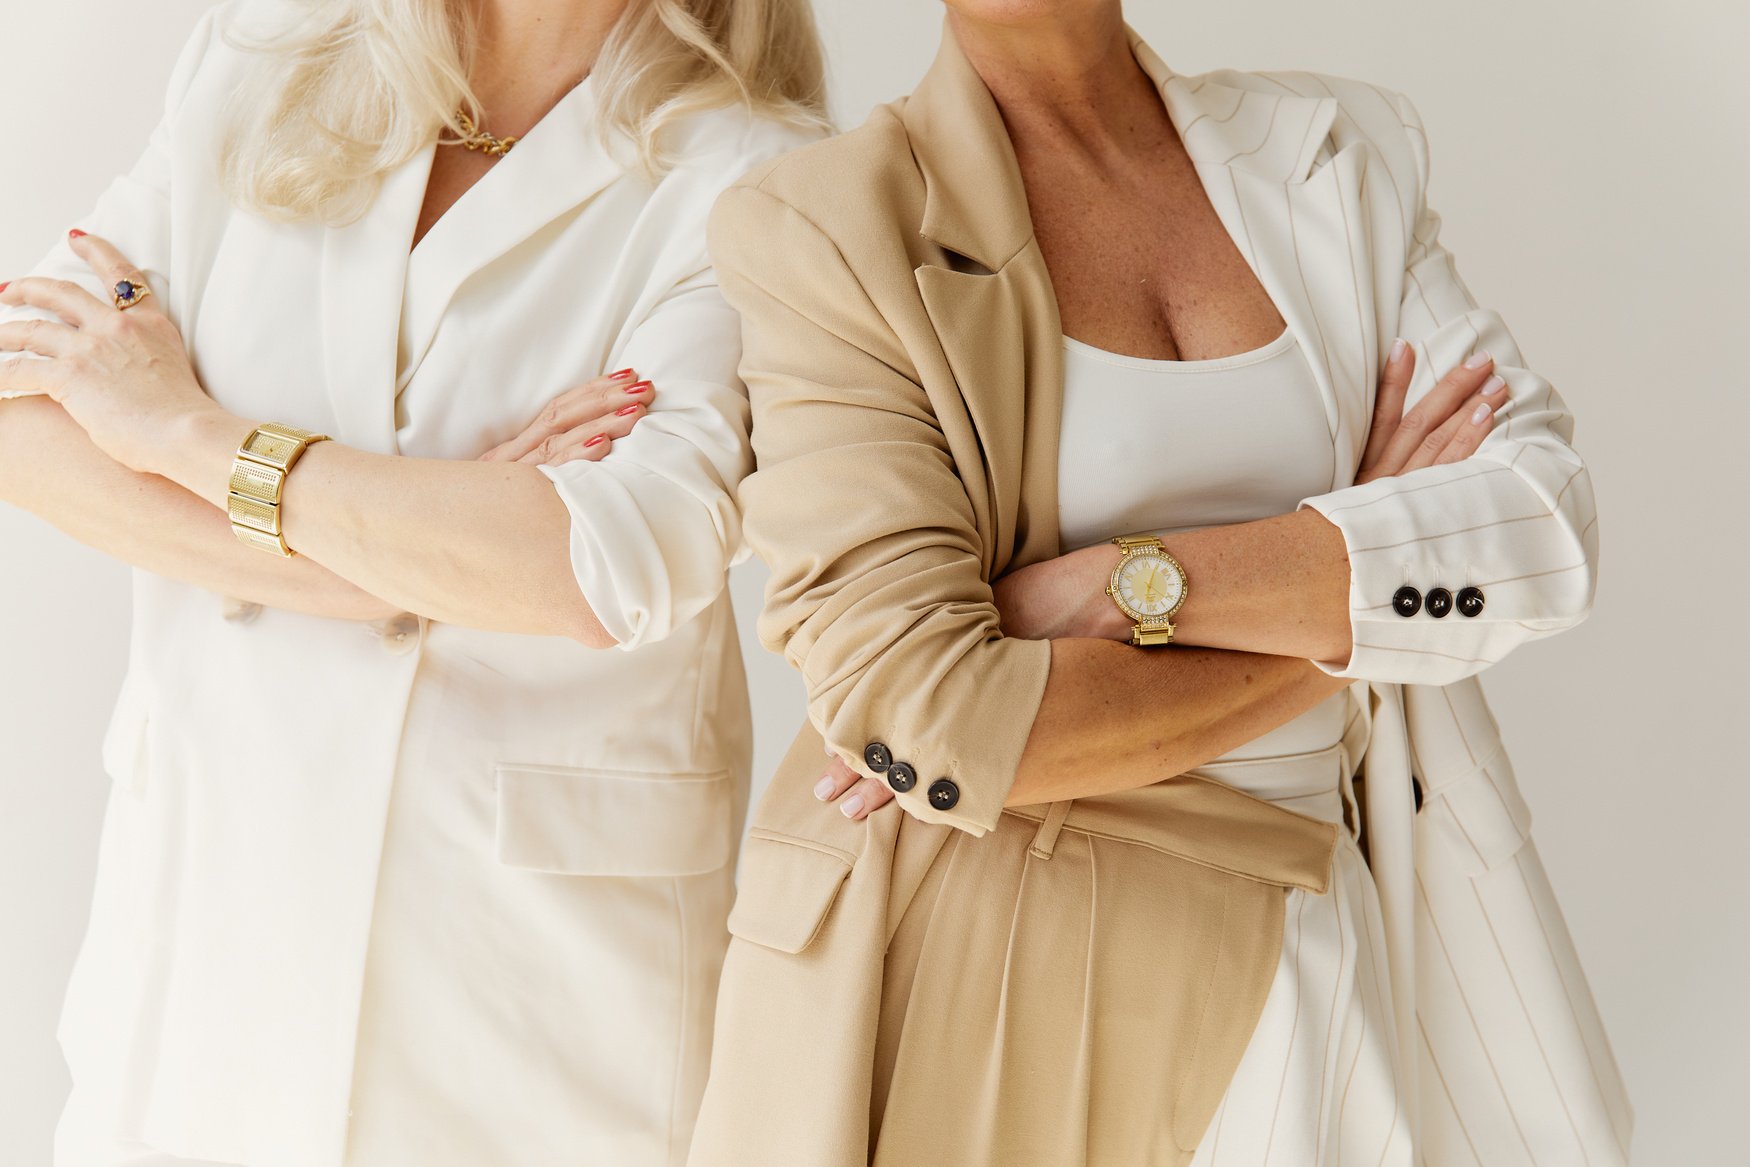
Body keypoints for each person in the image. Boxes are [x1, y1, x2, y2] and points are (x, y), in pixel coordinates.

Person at [689, 3, 1630, 1165]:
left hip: (1341, 907)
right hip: (1016, 951)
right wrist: (1366, 587)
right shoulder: (828, 224)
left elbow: (1541, 529)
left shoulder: (1337, 148)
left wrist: (1127, 583)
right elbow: (931, 716)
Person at [0, 0, 823, 1164]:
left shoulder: (761, 178)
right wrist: (408, 564)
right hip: (210, 932)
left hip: (520, 999)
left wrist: (184, 435)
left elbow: (608, 562)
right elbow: (22, 403)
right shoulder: (259, 59)